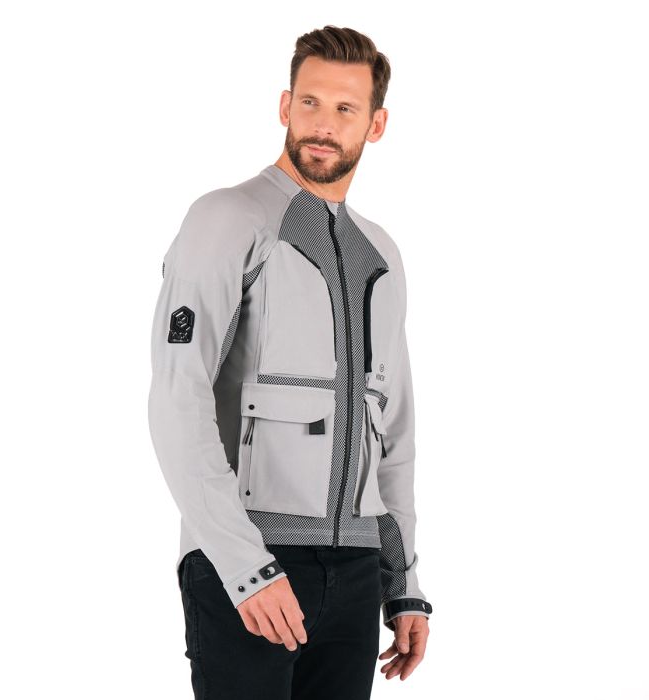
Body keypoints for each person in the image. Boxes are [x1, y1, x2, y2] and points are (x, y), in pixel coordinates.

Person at [147, 24, 433, 699]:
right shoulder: (226, 219)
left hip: (357, 569)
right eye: (310, 102)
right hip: (249, 560)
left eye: (345, 108)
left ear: (376, 123)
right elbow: (177, 398)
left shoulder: (382, 253)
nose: (323, 125)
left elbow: (392, 432)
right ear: (285, 106)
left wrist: (404, 584)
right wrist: (244, 566)